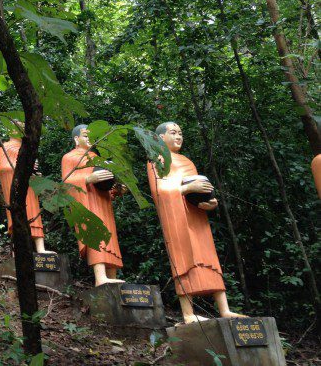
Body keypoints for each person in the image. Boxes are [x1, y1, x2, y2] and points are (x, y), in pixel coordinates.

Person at [147, 121, 245, 324]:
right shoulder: (156, 160)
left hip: (196, 216)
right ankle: (188, 313)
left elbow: (201, 186)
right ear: (160, 138)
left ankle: (224, 309)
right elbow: (159, 191)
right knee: (183, 257)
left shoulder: (187, 161)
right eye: (173, 133)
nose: (178, 136)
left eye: (181, 133)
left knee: (209, 257)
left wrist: (209, 201)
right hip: (176, 216)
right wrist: (185, 190)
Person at [62, 124, 124, 286]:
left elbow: (105, 183)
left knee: (110, 237)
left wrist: (115, 189)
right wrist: (88, 179)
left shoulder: (98, 158)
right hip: (86, 203)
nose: (90, 139)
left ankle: (111, 274)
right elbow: (66, 183)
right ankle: (100, 277)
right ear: (76, 139)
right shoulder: (69, 157)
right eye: (85, 135)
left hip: (102, 202)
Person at [0, 121, 50, 252]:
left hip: (30, 186)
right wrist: (23, 167)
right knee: (17, 216)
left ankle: (40, 248)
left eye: (22, 127)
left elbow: (33, 168)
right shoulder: (4, 147)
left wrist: (35, 173)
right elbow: (3, 168)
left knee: (34, 214)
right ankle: (18, 250)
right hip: (15, 185)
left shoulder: (27, 148)